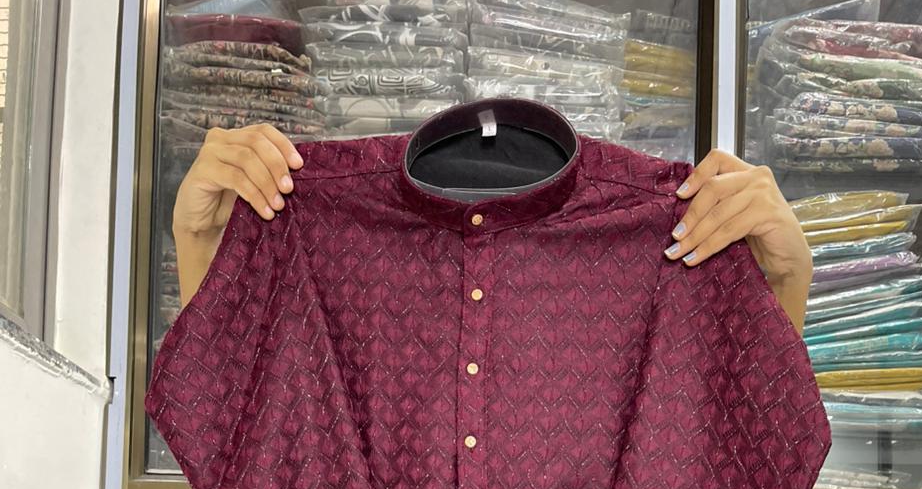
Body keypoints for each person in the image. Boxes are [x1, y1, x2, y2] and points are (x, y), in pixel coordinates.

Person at [168, 122, 814, 335]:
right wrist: (197, 238)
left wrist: (787, 276)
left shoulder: (668, 233)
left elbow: (744, 446)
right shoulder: (311, 224)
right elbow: (227, 426)